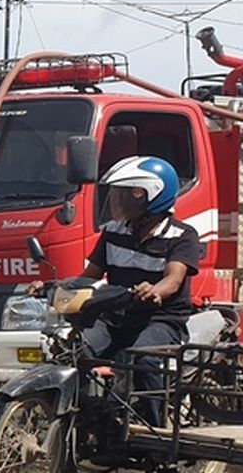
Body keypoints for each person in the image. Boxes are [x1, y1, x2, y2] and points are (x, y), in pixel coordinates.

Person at [31, 155, 201, 427]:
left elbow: (174, 279)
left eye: (127, 195)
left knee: (142, 358)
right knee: (73, 350)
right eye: (118, 194)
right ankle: (89, 417)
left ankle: (154, 428)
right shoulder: (113, 231)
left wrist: (154, 290)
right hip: (116, 316)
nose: (118, 202)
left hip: (161, 319)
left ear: (153, 197)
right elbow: (89, 276)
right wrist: (52, 285)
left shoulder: (182, 236)